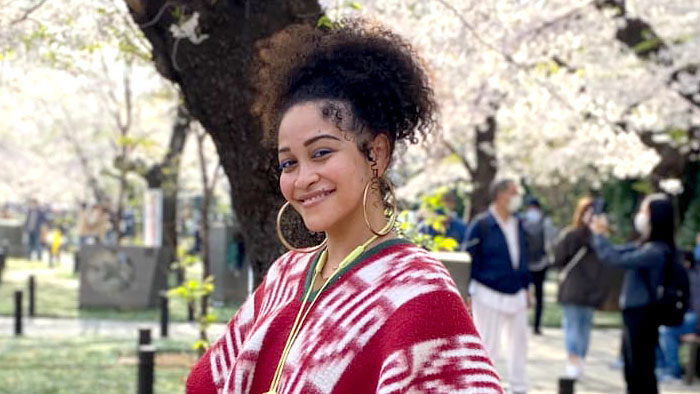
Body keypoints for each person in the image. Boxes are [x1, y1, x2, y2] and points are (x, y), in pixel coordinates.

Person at [186, 19, 503, 394]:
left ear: (376, 153)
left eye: (321, 153)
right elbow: (205, 383)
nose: (303, 178)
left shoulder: (419, 290)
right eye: (289, 163)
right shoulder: (286, 274)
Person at [589, 193, 675, 394]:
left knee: (641, 371)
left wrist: (599, 235)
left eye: (645, 211)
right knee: (633, 368)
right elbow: (616, 252)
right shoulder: (645, 246)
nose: (640, 215)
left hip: (643, 315)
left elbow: (613, 258)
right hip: (634, 314)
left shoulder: (656, 251)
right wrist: (602, 234)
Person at [466, 179, 530, 394]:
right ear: (501, 195)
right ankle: (483, 387)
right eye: (513, 192)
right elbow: (469, 258)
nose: (517, 196)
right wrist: (466, 292)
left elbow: (523, 256)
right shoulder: (482, 223)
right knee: (489, 344)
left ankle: (519, 387)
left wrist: (526, 287)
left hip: (517, 292)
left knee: (519, 346)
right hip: (488, 292)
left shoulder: (518, 223)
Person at [554, 197, 612, 379]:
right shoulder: (581, 237)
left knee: (579, 326)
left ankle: (575, 360)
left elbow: (558, 259)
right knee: (579, 326)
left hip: (583, 289)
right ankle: (576, 360)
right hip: (581, 288)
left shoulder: (594, 238)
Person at [656, 250, 700, 383]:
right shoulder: (685, 276)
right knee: (653, 326)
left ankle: (672, 371)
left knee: (666, 331)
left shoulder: (694, 277)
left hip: (695, 319)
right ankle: (661, 367)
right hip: (687, 316)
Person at [521, 197, 556, 335]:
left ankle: (525, 325)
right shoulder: (545, 222)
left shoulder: (521, 222)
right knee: (539, 296)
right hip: (541, 263)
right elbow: (551, 241)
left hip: (526, 264)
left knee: (523, 295)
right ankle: (536, 326)